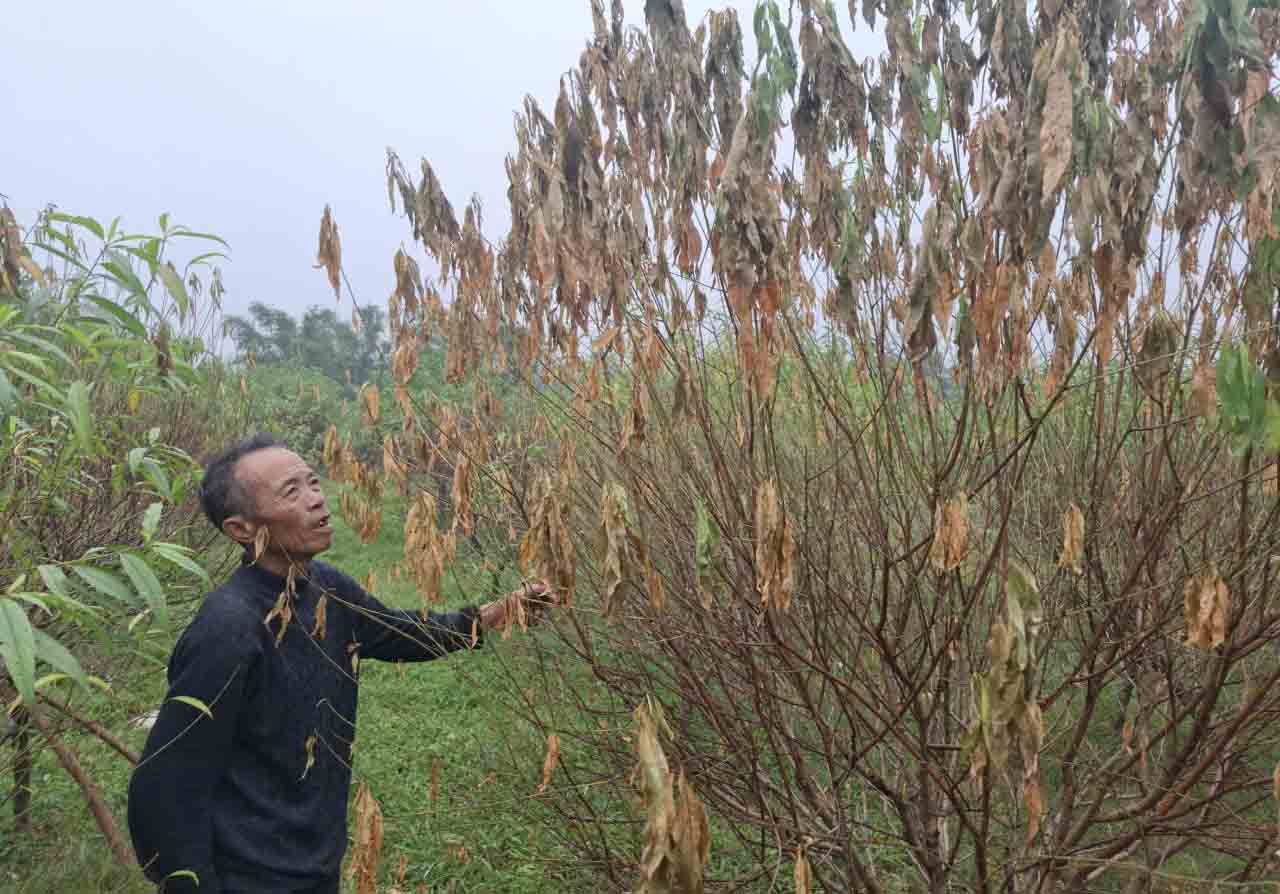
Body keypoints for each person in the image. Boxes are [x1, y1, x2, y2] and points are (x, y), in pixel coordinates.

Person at [127, 434, 550, 894]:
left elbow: (400, 632)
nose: (315, 499)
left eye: (312, 481)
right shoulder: (228, 630)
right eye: (291, 492)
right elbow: (165, 781)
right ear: (241, 528)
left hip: (314, 864)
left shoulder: (326, 588)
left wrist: (497, 613)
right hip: (247, 877)